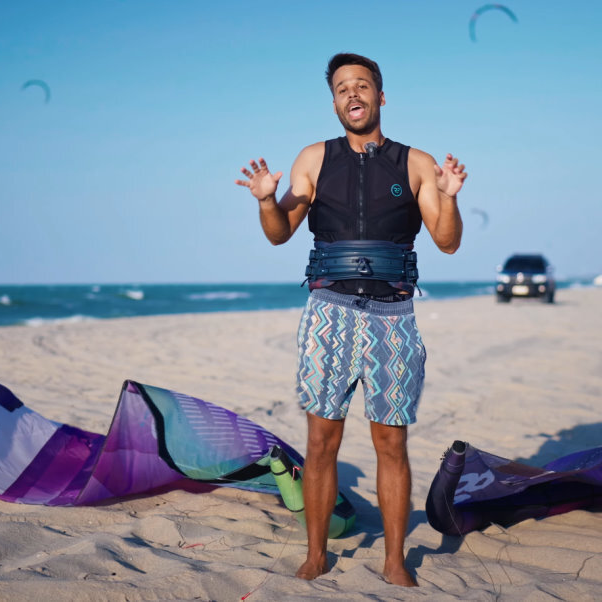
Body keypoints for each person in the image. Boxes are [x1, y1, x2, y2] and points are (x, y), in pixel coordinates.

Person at [234, 52, 465, 586]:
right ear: (334, 101)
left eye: (362, 86)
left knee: (391, 442)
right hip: (329, 311)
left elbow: (447, 242)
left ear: (381, 97)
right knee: (321, 440)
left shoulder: (416, 162)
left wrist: (449, 199)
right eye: (342, 89)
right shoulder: (314, 159)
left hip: (394, 314)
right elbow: (279, 231)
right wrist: (268, 201)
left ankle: (393, 560)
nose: (353, 95)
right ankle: (316, 554)